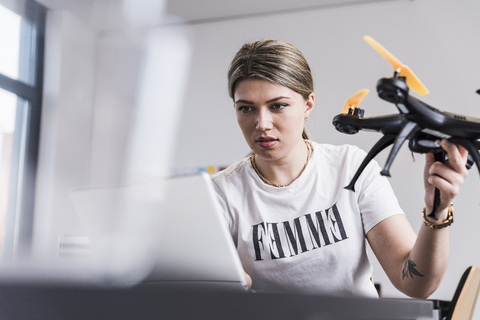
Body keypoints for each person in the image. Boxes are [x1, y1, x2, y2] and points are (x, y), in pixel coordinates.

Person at [211, 39, 469, 298]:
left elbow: (416, 284)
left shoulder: (352, 167)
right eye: (246, 108)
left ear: (308, 105)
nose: (262, 123)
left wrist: (438, 211)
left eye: (278, 105)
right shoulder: (219, 194)